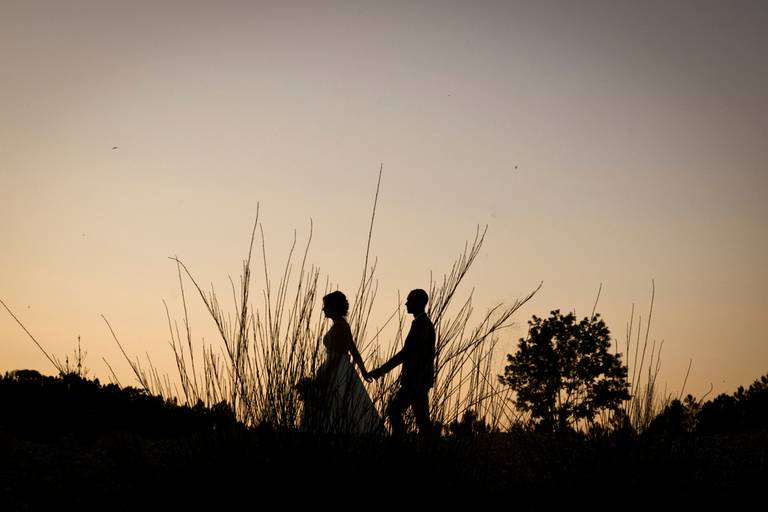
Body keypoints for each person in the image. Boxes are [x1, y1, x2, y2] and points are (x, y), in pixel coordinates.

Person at [298, 291, 383, 434]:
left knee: (334, 403)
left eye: (326, 306)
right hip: (342, 368)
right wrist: (363, 371)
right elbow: (354, 350)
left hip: (336, 369)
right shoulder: (343, 325)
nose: (323, 309)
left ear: (333, 307)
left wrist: (325, 376)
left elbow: (339, 355)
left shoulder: (339, 326)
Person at [368, 289, 436, 436]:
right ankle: (429, 449)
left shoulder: (422, 325)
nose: (406, 303)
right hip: (419, 380)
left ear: (418, 303)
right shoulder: (422, 324)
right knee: (422, 419)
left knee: (394, 410)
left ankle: (401, 444)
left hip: (415, 380)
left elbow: (407, 353)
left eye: (409, 300)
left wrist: (382, 370)